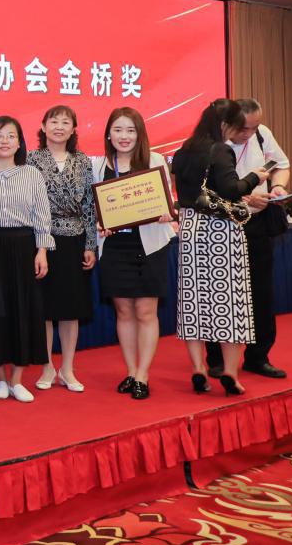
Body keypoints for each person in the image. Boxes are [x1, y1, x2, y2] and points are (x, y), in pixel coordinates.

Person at [172, 99, 267, 396]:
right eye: (237, 126)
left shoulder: (184, 150)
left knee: (193, 302)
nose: (239, 133)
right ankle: (230, 372)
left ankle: (198, 368)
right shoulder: (220, 150)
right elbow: (231, 189)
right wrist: (255, 177)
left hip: (190, 229)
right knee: (231, 302)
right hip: (220, 232)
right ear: (225, 125)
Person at [91, 107, 175, 400]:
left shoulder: (155, 161)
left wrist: (166, 212)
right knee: (124, 311)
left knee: (146, 311)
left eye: (130, 130)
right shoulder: (98, 165)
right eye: (118, 130)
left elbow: (167, 201)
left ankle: (143, 374)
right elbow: (94, 207)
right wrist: (99, 223)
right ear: (108, 134)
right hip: (115, 248)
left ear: (140, 134)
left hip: (149, 246)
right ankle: (130, 371)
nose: (124, 136)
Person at [206, 98, 291, 379]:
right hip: (221, 225)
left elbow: (282, 165)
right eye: (244, 128)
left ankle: (258, 357)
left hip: (257, 225)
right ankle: (217, 359)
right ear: (227, 123)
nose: (249, 133)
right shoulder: (212, 143)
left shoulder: (262, 134)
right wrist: (244, 196)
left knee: (260, 293)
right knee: (220, 292)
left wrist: (278, 186)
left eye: (254, 127)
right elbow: (204, 189)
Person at [0, 116, 53, 403]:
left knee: (24, 310)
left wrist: (42, 250)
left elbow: (42, 215)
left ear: (20, 142)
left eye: (11, 136)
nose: (5, 141)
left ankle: (17, 379)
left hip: (24, 247)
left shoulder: (32, 174)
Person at [26, 106, 97, 393]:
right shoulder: (31, 159)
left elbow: (89, 204)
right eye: (53, 121)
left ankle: (67, 368)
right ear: (43, 126)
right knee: (43, 308)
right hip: (40, 239)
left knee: (70, 308)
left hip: (74, 240)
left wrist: (90, 244)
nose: (59, 127)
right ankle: (46, 367)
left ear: (73, 129)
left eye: (65, 122)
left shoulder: (83, 161)